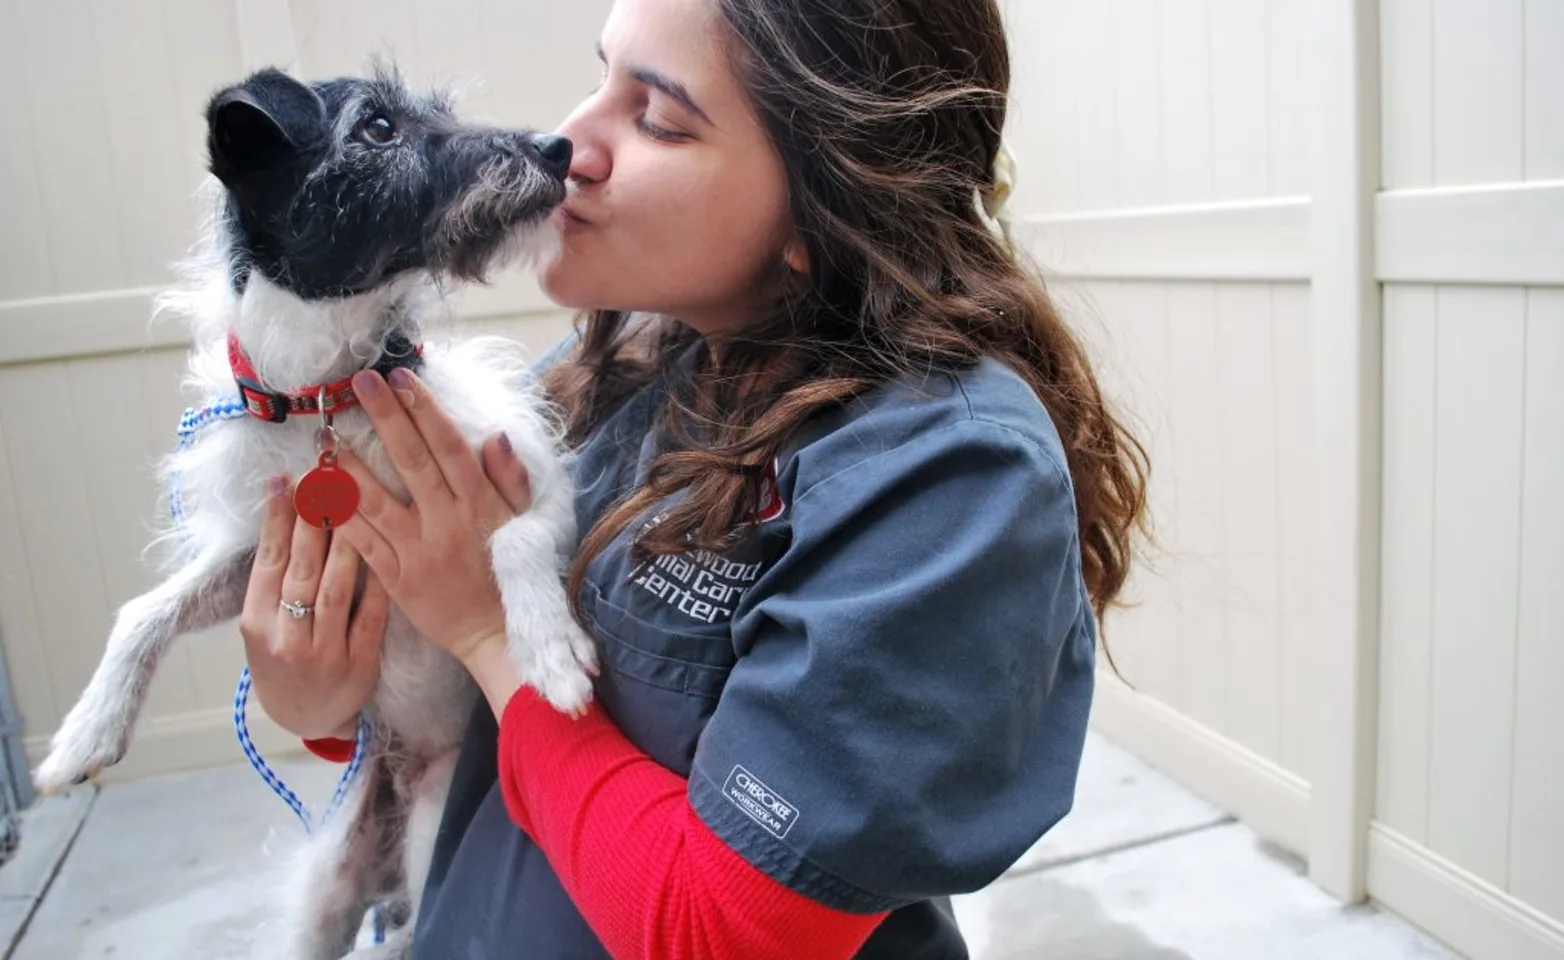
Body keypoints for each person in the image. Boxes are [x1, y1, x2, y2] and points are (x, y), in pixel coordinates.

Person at [240, 0, 1149, 956]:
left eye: (659, 119)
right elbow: (438, 705)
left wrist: (488, 630)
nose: (568, 140)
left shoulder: (950, 479)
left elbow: (722, 932)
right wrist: (316, 699)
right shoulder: (616, 363)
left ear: (825, 206)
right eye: (601, 77)